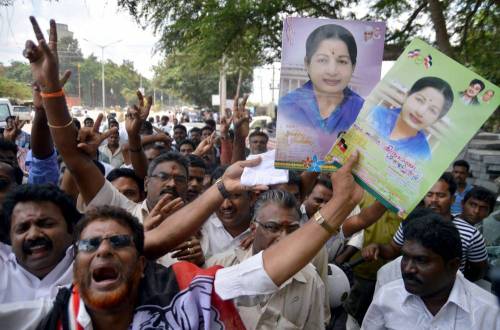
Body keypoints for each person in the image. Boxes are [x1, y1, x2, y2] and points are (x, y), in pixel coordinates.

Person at [206, 190, 328, 329]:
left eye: (292, 229)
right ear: (253, 228)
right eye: (273, 227)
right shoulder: (219, 268)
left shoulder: (310, 280)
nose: (284, 238)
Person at [363, 215, 500, 329]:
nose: (407, 269)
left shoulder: (489, 313)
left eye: (421, 260)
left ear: (453, 265)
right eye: (405, 257)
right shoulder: (387, 297)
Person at [363, 173, 488, 281]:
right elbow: (392, 250)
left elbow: (478, 271)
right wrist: (377, 247)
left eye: (440, 195)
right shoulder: (410, 223)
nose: (434, 200)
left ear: (453, 199)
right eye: (429, 194)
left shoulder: (471, 234)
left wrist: (456, 285)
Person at [277, 23, 364, 161]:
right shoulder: (288, 105)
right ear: (307, 64)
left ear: (353, 67)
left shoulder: (363, 111)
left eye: (342, 61)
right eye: (322, 60)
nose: (332, 71)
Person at [0, 184, 80, 303]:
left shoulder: (91, 269)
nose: (33, 235)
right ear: (10, 237)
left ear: (72, 231)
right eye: (22, 228)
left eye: (46, 224)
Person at [369, 76, 454, 161]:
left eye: (432, 110)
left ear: (436, 120)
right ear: (407, 96)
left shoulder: (422, 154)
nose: (420, 112)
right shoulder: (374, 114)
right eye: (420, 100)